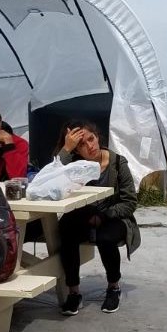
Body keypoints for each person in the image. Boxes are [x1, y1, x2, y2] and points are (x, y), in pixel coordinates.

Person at [54, 119, 140, 315]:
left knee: (105, 237)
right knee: (66, 230)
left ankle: (113, 286)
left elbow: (129, 202)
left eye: (91, 139)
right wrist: (66, 149)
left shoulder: (118, 163)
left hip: (112, 217)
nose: (89, 146)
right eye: (81, 145)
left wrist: (106, 214)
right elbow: (53, 177)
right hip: (82, 216)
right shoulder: (76, 165)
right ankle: (73, 291)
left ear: (98, 137)